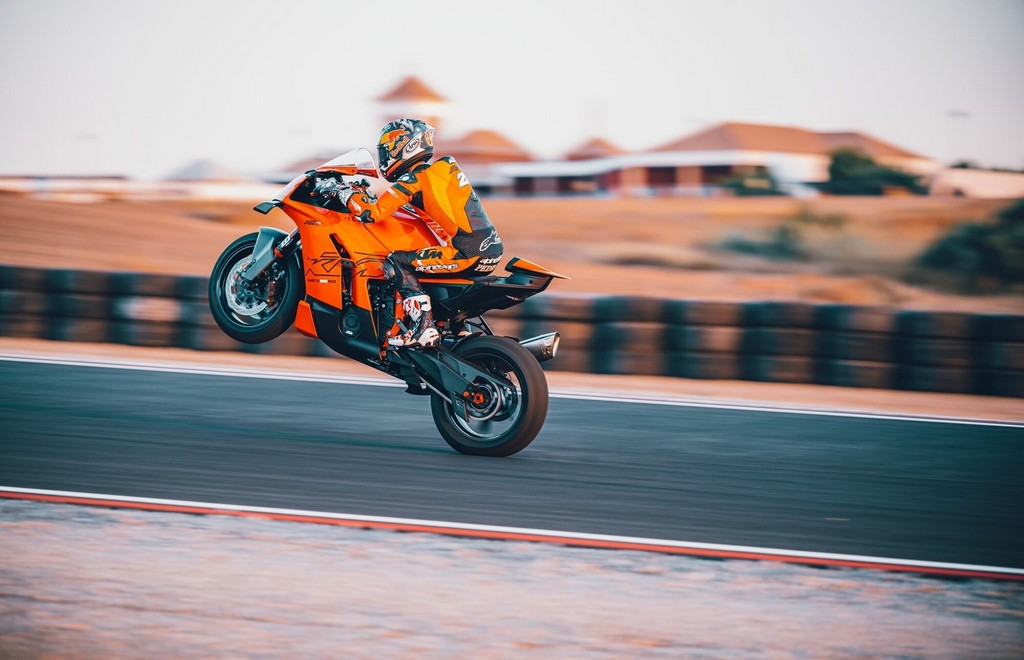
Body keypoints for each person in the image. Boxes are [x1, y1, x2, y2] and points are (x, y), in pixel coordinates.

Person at [335, 118, 504, 348]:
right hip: (490, 249)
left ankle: (422, 326)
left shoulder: (414, 178)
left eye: (386, 151)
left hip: (466, 253)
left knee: (397, 261)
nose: (384, 158)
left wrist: (343, 193)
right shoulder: (441, 170)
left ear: (406, 146)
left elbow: (371, 213)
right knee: (427, 266)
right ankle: (460, 330)